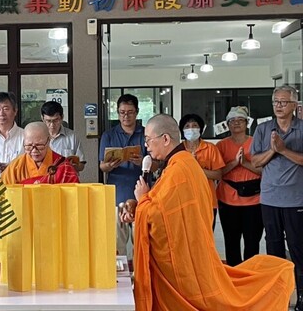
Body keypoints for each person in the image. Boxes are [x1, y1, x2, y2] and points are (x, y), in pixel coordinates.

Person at [123, 114, 294, 311]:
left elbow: (156, 214)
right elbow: (162, 206)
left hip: (183, 261)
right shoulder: (181, 164)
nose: (146, 146)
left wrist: (142, 199)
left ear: (165, 139)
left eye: (148, 140)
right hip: (190, 249)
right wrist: (138, 205)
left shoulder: (179, 170)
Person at [251, 85, 303, 311]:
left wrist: (282, 150)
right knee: (273, 250)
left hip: (296, 199)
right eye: (275, 102)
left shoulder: (301, 129)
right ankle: (276, 299)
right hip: (270, 198)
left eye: (283, 102)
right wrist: (273, 150)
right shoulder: (263, 129)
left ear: (294, 105)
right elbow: (255, 162)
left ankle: (301, 297)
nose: (279, 106)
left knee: (298, 250)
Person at [99, 93, 145, 263]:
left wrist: (143, 162)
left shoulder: (145, 134)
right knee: (118, 241)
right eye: (122, 112)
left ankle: (139, 278)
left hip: (141, 194)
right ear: (117, 113)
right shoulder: (109, 135)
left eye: (130, 112)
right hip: (116, 193)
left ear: (137, 112)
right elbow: (102, 166)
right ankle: (121, 279)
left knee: (140, 240)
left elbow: (157, 164)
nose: (126, 116)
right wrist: (110, 166)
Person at [216, 106, 263, 267]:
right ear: (227, 125)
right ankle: (234, 275)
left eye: (240, 120)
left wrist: (245, 163)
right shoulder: (221, 146)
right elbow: (218, 172)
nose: (236, 124)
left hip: (254, 200)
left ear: (247, 123)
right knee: (231, 241)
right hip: (228, 200)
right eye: (232, 121)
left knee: (252, 242)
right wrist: (235, 162)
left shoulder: (256, 143)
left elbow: (264, 170)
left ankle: (250, 275)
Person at [179, 113, 224, 230]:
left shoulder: (210, 148)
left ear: (200, 129)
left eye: (194, 126)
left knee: (206, 238)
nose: (191, 129)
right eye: (187, 126)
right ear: (182, 130)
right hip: (184, 201)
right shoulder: (178, 149)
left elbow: (218, 175)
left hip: (207, 201)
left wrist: (196, 168)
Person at [1, 121, 79, 185]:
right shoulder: (16, 167)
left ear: (48, 141)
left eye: (39, 145)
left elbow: (73, 195)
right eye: (29, 146)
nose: (34, 151)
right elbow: (0, 193)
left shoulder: (62, 166)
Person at [40, 101, 86, 172]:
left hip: (66, 179)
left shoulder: (72, 137)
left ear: (62, 117)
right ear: (42, 119)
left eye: (56, 120)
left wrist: (73, 166)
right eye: (48, 121)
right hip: (44, 179)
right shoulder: (37, 137)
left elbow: (81, 165)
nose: (52, 125)